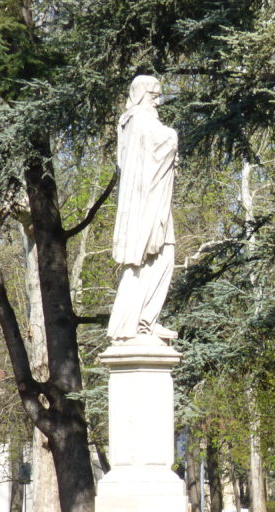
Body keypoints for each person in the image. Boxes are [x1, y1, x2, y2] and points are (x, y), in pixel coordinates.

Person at [107, 75, 178, 342]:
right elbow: (159, 144)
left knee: (166, 254)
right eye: (153, 95)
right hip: (144, 206)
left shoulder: (142, 121)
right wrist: (173, 136)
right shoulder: (137, 120)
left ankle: (147, 319)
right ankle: (130, 323)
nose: (158, 101)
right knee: (146, 260)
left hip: (158, 200)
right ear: (140, 95)